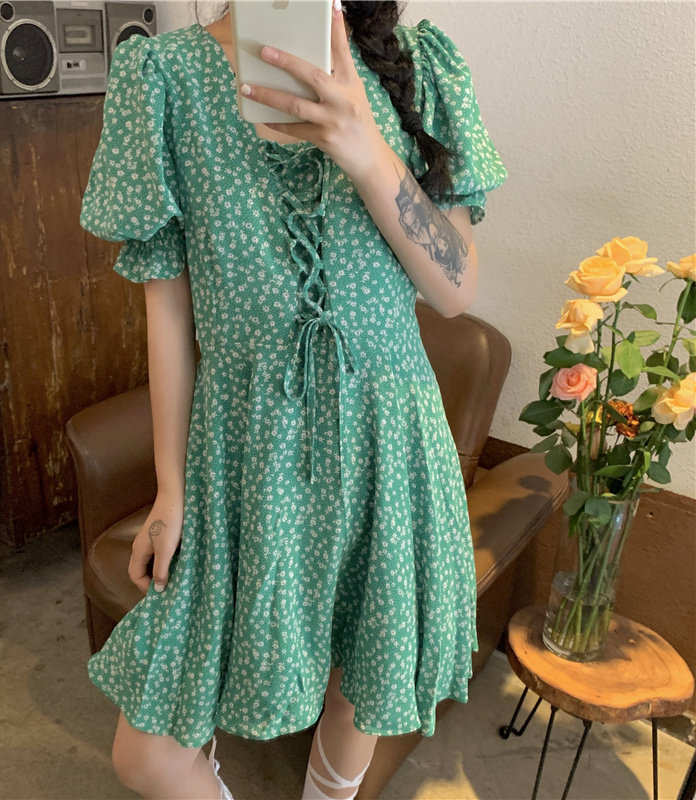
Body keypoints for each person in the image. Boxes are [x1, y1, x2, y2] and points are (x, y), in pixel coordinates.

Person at [79, 0, 507, 797]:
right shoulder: (163, 79)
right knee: (146, 756)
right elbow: (167, 312)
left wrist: (366, 148)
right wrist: (170, 489)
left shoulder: (416, 63)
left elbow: (455, 290)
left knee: (360, 687)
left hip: (390, 443)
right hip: (244, 454)